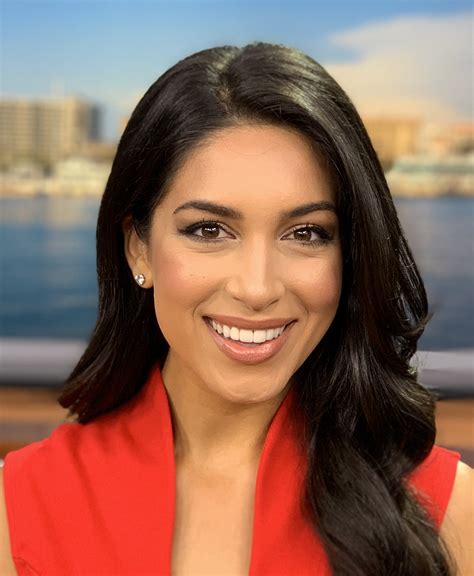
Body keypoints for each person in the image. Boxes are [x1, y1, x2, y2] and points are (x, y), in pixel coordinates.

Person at [0, 41, 472, 575]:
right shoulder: (20, 508)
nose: (256, 287)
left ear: (349, 254)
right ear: (138, 248)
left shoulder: (448, 511)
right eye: (209, 230)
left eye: (306, 233)